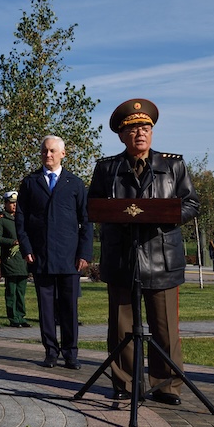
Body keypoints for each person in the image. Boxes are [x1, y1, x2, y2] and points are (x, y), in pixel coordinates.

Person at [88, 99, 199, 405]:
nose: (141, 133)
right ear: (122, 135)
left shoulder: (172, 165)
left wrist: (165, 216)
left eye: (146, 127)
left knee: (165, 328)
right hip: (122, 258)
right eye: (134, 128)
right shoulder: (107, 168)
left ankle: (166, 386)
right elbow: (93, 207)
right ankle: (125, 385)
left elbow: (191, 203)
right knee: (122, 327)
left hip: (162, 258)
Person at [16, 135, 92, 370]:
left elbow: (86, 221)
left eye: (51, 151)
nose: (47, 155)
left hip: (69, 258)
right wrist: (27, 248)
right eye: (44, 151)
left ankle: (70, 353)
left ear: (63, 154)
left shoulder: (76, 184)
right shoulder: (30, 183)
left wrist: (84, 253)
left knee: (69, 307)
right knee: (46, 308)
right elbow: (21, 219)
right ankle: (51, 351)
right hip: (41, 256)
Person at [0, 191, 31, 328]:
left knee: (21, 291)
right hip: (10, 260)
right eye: (11, 203)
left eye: (15, 203)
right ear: (5, 204)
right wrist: (12, 242)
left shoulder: (22, 218)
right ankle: (13, 317)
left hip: (22, 260)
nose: (14, 206)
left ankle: (21, 316)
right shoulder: (1, 220)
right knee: (11, 291)